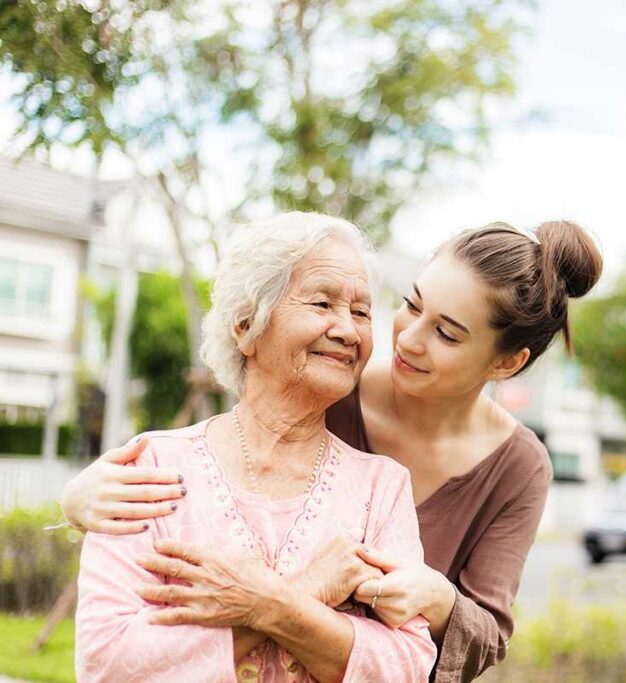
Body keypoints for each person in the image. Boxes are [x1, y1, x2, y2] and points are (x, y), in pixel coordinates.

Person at [65, 218, 603, 681]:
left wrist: (436, 600)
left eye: (447, 333)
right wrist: (74, 501)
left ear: (505, 363)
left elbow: (433, 652)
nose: (407, 340)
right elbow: (107, 659)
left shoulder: (480, 470)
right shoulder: (323, 384)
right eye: (411, 306)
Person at [74, 214, 436, 682]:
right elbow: (106, 664)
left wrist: (264, 605)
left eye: (362, 312)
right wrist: (301, 594)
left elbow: (406, 666)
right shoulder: (151, 469)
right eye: (323, 303)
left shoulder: (381, 488)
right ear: (246, 326)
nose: (348, 330)